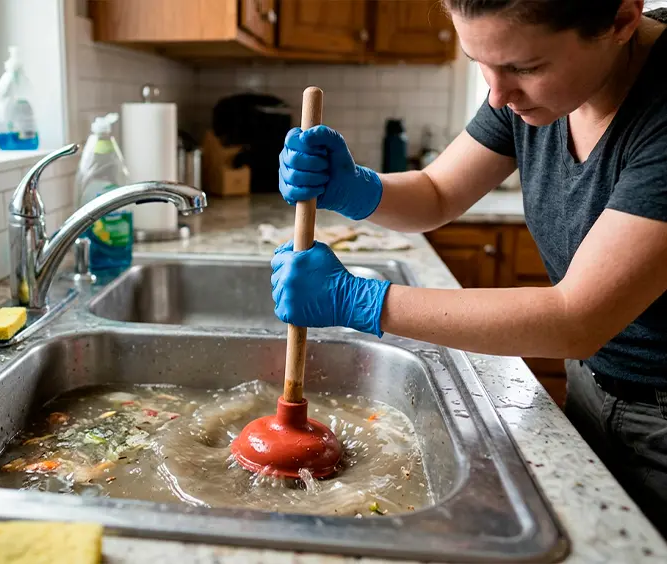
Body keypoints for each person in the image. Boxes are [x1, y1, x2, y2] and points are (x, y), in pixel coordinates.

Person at [272, 0, 667, 537]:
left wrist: (359, 301)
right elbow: (437, 193)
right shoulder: (536, 89)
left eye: (525, 68)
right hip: (595, 384)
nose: (499, 95)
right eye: (480, 61)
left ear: (621, 20)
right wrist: (356, 187)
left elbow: (578, 319)